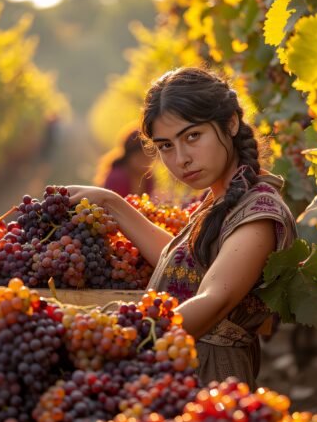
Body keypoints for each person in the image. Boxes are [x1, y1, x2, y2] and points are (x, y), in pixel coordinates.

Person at [68, 67, 297, 389]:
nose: (181, 159)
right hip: (180, 365)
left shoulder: (258, 215)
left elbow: (213, 298)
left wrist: (118, 332)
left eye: (192, 137)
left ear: (231, 123)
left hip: (209, 381)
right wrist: (111, 203)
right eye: (165, 146)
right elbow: (185, 262)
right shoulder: (221, 200)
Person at [95, 127, 155, 197]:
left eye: (150, 156)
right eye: (141, 156)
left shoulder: (148, 178)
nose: (147, 161)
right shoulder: (117, 178)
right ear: (129, 155)